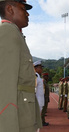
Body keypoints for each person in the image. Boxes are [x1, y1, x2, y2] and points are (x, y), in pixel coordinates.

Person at [0, 1, 42, 131]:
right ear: (10, 9)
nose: (27, 13)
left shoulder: (15, 33)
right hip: (18, 117)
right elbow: (5, 83)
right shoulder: (8, 32)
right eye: (23, 8)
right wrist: (7, 125)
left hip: (24, 112)